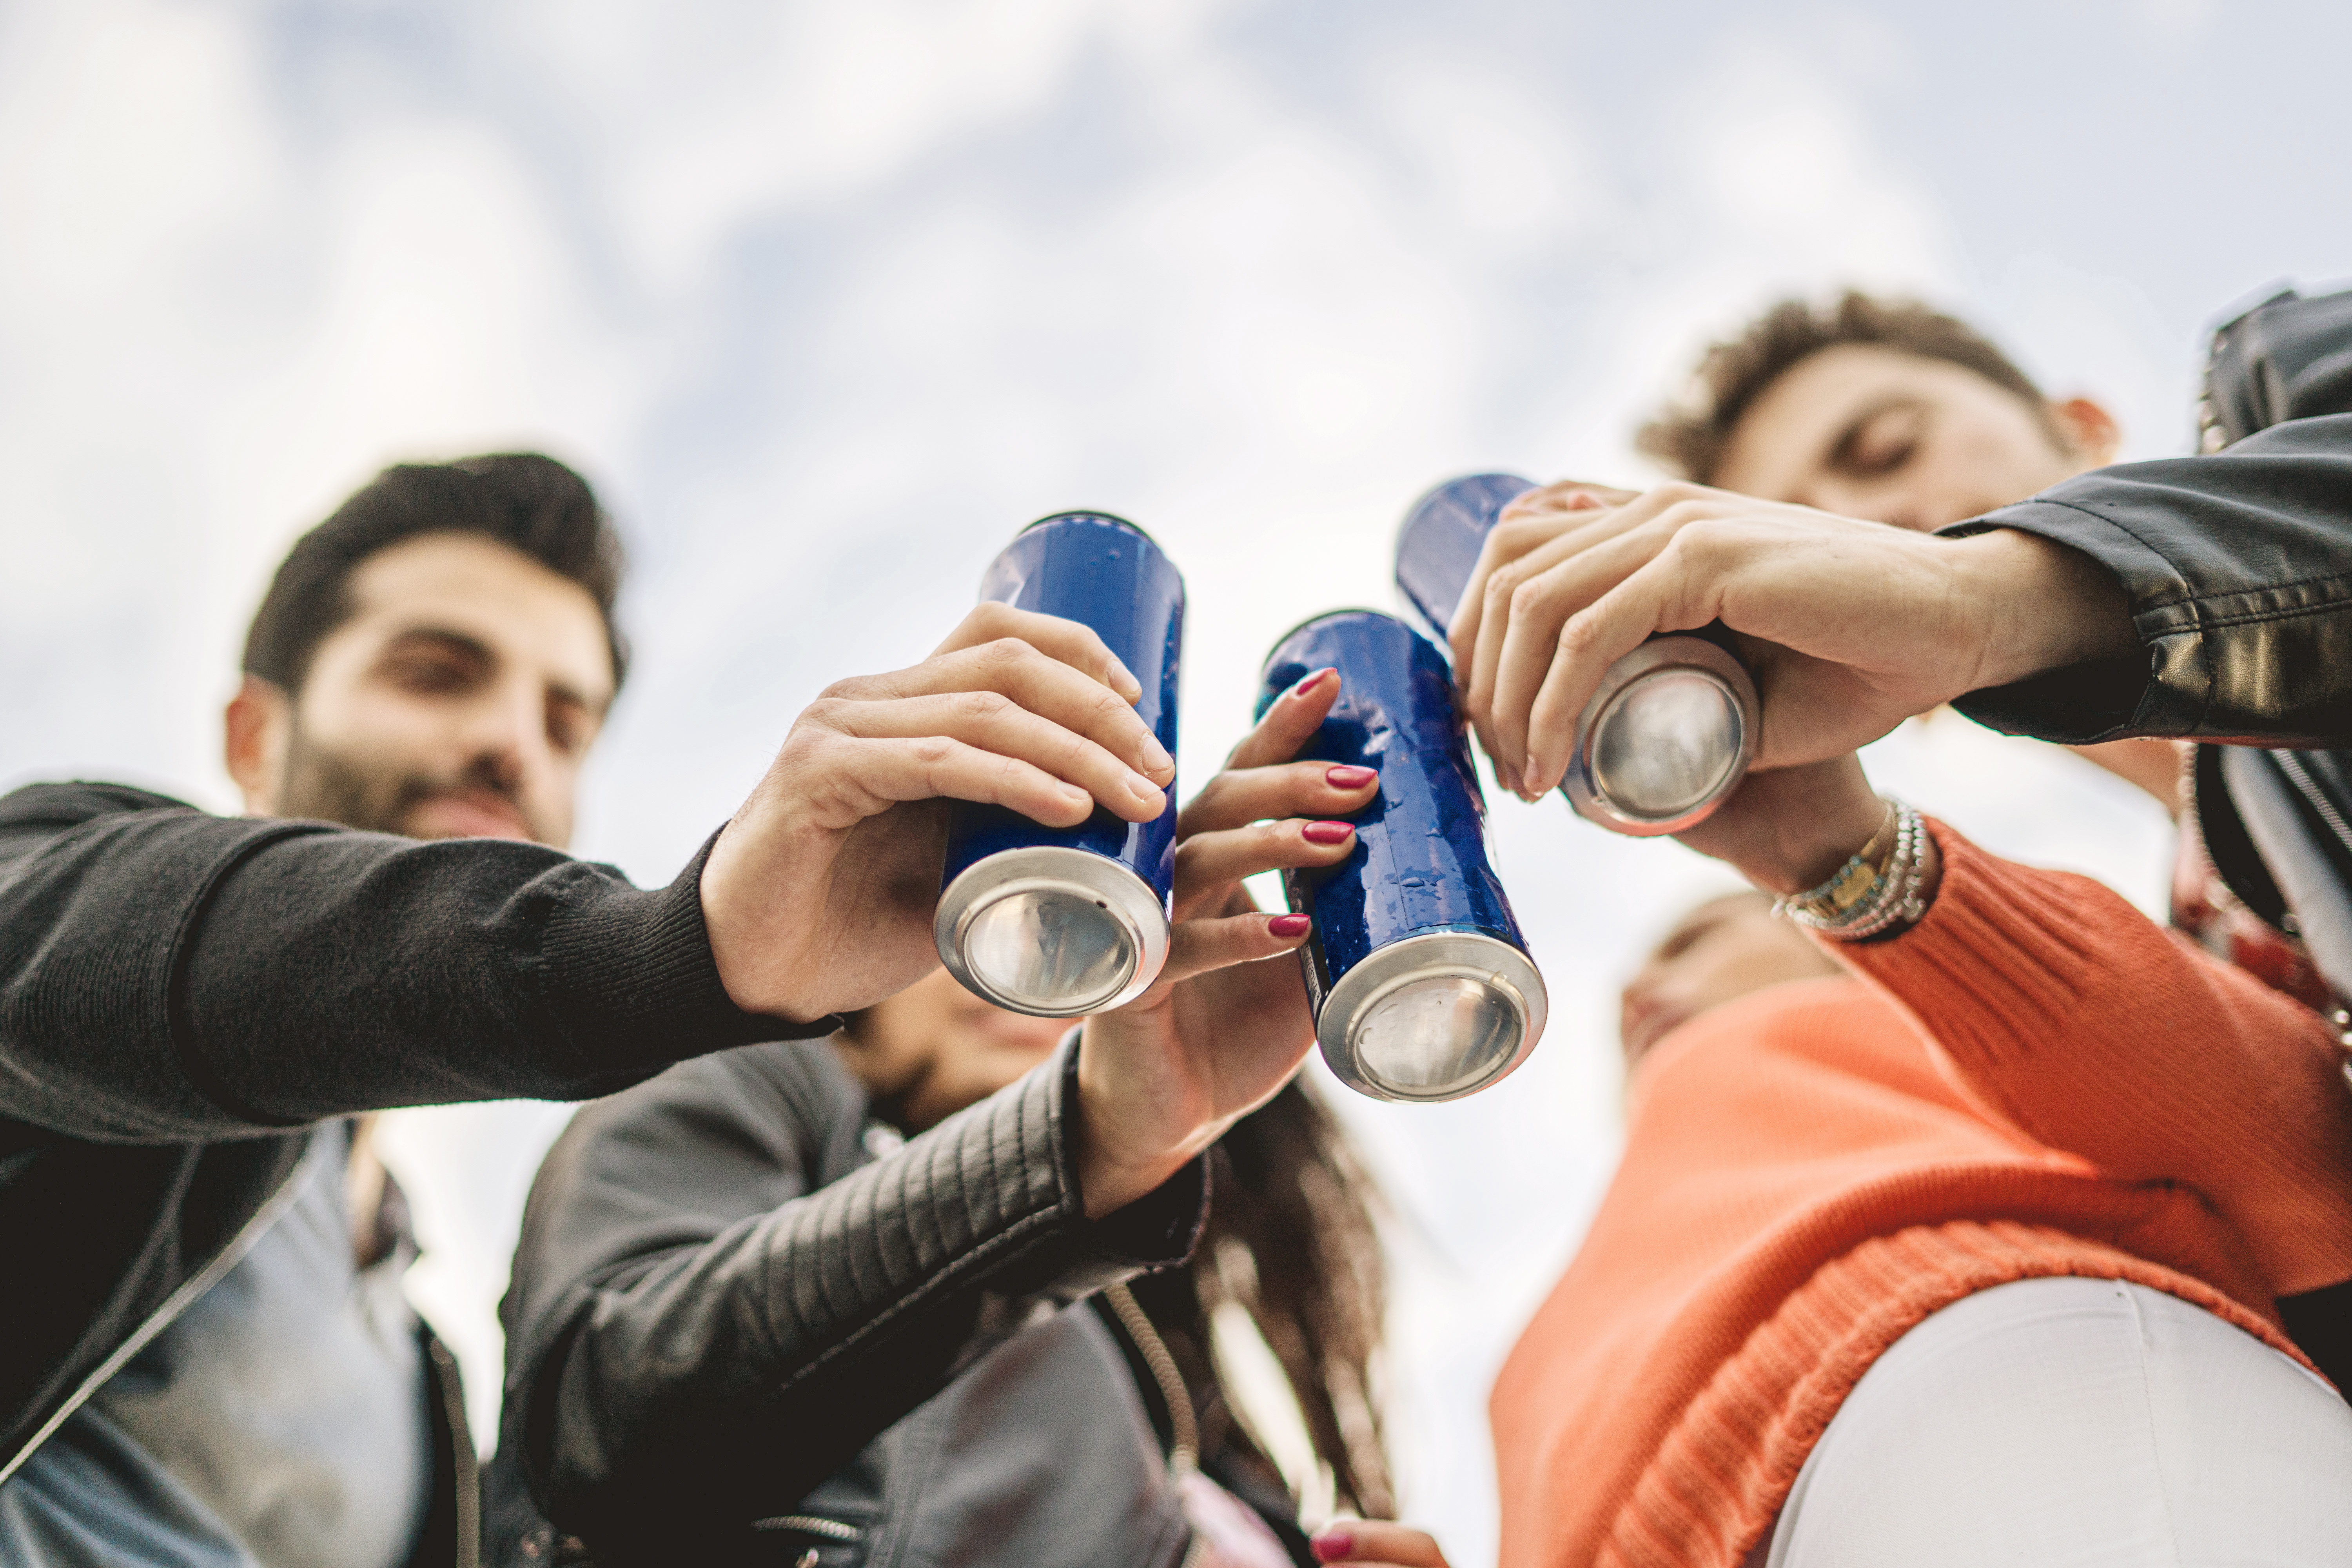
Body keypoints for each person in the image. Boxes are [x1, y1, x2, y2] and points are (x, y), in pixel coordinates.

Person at [0, 452, 1367, 1567]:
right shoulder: (73, 910)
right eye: (437, 672)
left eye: (565, 720)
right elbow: (145, 940)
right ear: (252, 735)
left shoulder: (420, 1378)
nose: (509, 743)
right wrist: (683, 947)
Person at [1452, 291, 2352, 1564]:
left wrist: (1998, 591)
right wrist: (1839, 851)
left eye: (1884, 450)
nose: (1865, 521)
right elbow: (2315, 1200)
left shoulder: (2284, 375)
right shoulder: (2215, 955)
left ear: (2081, 425)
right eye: (1813, 528)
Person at [485, 667, 1452, 1568]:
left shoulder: (1156, 1333)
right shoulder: (760, 1081)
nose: (1036, 960)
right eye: (993, 895)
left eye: (1083, 911)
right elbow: (599, 1415)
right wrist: (1081, 1143)